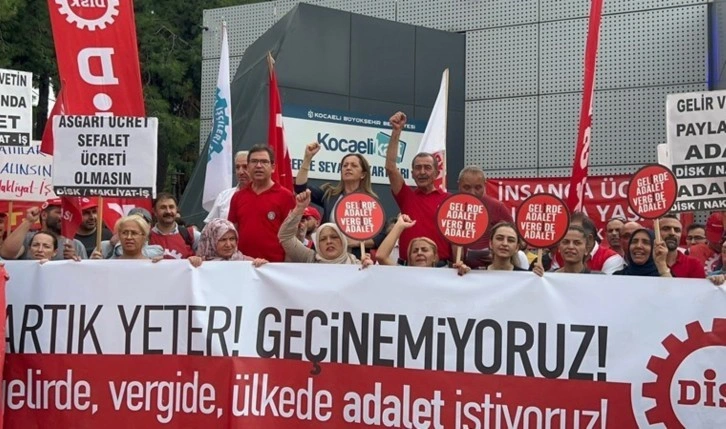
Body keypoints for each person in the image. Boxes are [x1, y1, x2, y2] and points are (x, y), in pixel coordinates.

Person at [294, 142, 385, 259]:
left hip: (356, 259)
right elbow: (300, 188)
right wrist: (307, 158)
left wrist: (356, 242)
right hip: (326, 259)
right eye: (345, 165)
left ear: (363, 174)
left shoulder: (370, 202)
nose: (348, 168)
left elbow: (381, 236)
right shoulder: (329, 194)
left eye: (354, 165)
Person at [385, 112, 450, 264]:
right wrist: (396, 131)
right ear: (412, 173)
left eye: (427, 167)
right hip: (408, 268)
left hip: (442, 270)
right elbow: (391, 168)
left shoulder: (449, 201)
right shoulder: (406, 197)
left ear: (437, 173)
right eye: (418, 168)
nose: (422, 172)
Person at [228, 145, 296, 262]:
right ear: (248, 166)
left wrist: (286, 266)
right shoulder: (237, 197)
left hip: (274, 266)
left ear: (273, 167)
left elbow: (291, 236)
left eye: (264, 161)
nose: (259, 166)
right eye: (254, 161)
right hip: (243, 264)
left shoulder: (286, 196)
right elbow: (232, 232)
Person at [279, 190, 373, 266]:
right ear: (317, 245)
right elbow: (285, 236)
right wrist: (299, 208)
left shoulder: (356, 263)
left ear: (343, 240)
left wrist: (369, 269)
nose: (328, 241)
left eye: (334, 237)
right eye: (322, 239)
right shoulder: (310, 258)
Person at [455, 166, 514, 269]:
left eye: (478, 188)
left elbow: (517, 240)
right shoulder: (451, 206)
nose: (472, 193)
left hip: (491, 270)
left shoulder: (497, 207)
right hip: (457, 269)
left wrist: (498, 253)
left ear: (485, 185)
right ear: (459, 185)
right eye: (467, 188)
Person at [0, 202, 86, 261]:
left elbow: (85, 275)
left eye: (67, 213)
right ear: (44, 215)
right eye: (59, 212)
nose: (64, 217)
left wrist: (74, 263)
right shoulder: (27, 238)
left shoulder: (76, 245)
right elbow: (6, 254)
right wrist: (28, 221)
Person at [555, 213, 623, 274]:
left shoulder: (610, 259)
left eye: (577, 243)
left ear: (588, 243)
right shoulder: (552, 272)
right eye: (565, 242)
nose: (570, 247)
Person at [376, 214, 442, 269]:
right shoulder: (402, 273)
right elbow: (381, 257)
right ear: (410, 258)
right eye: (415, 251)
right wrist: (399, 226)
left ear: (435, 257)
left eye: (424, 250)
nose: (419, 253)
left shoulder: (444, 275)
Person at [96, 208, 164, 259]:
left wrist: (160, 266)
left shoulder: (155, 260)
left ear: (144, 236)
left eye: (134, 233)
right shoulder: (107, 263)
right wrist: (95, 265)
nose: (129, 237)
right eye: (124, 233)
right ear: (119, 235)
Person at [149, 192, 200, 259]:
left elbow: (206, 259)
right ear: (154, 211)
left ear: (176, 209)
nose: (168, 211)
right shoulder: (146, 238)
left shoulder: (192, 236)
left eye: (171, 207)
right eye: (163, 207)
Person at [197, 218, 267, 266]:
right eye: (223, 240)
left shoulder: (247, 262)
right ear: (210, 241)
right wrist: (193, 263)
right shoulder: (199, 264)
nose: (228, 244)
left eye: (232, 239)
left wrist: (263, 266)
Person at [204, 150, 250, 223]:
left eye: (245, 167)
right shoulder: (224, 196)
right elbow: (210, 225)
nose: (240, 172)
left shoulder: (261, 196)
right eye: (237, 167)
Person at [659, 214, 705, 279]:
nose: (672, 233)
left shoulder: (693, 264)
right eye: (666, 229)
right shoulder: (645, 262)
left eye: (677, 230)